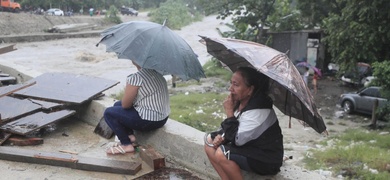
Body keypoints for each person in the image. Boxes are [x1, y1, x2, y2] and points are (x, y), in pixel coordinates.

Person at [204, 67, 284, 179]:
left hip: (266, 158)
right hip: (250, 147)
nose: (230, 89)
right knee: (210, 142)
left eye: (236, 85)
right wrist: (220, 137)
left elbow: (238, 140)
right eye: (231, 83)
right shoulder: (242, 102)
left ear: (250, 90)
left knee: (222, 154)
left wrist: (229, 112)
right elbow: (233, 130)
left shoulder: (258, 111)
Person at [104, 61, 170, 155]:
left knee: (109, 113)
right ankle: (130, 136)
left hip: (148, 121)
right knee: (116, 105)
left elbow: (126, 105)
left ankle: (126, 144)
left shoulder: (136, 78)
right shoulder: (158, 74)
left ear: (134, 61)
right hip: (162, 118)